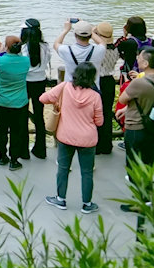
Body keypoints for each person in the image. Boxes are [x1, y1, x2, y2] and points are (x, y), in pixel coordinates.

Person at [42, 61, 103, 214]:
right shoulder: (95, 96)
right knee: (87, 172)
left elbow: (43, 98)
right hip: (88, 139)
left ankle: (61, 199)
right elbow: (99, 121)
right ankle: (87, 203)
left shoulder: (64, 87)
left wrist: (58, 102)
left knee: (63, 168)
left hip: (66, 135)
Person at [116, 47, 154, 174]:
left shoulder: (138, 83)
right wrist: (126, 109)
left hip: (136, 125)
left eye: (139, 58)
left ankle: (137, 186)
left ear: (146, 64)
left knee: (134, 161)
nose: (137, 59)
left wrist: (125, 107)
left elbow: (123, 99)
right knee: (152, 156)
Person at [0, 35, 30, 171]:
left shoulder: (0, 61)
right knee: (16, 131)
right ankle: (14, 159)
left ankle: (2, 156)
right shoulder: (26, 61)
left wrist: (0, 51)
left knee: (2, 129)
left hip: (3, 101)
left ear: (7, 46)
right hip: (20, 101)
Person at [21, 19, 51, 159]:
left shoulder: (23, 48)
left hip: (25, 83)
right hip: (40, 83)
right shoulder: (45, 47)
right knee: (39, 116)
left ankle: (23, 150)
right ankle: (40, 149)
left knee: (22, 115)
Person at [93, 22, 120, 154]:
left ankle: (97, 145)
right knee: (107, 113)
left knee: (97, 113)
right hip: (110, 81)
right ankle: (107, 144)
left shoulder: (98, 50)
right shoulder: (116, 49)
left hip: (99, 81)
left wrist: (92, 32)